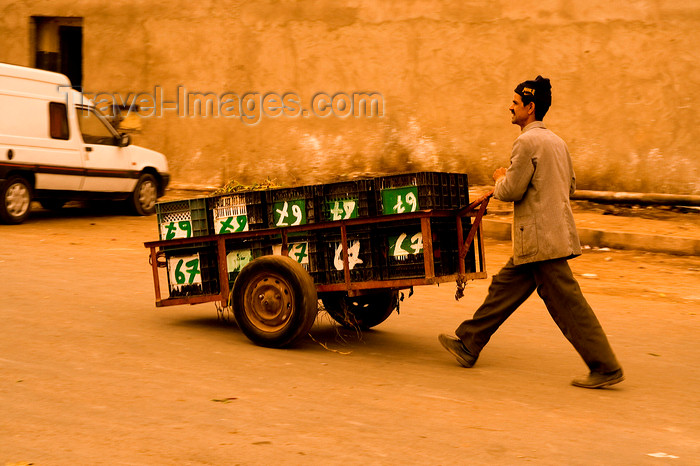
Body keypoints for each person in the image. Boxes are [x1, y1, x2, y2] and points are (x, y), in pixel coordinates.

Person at [439, 76, 624, 389]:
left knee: (567, 303)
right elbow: (571, 186)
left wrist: (500, 177)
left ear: (530, 107)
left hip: (541, 239)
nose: (510, 107)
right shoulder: (557, 142)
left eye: (515, 102)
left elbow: (511, 190)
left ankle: (605, 366)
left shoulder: (526, 142)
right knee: (504, 287)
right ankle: (469, 342)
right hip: (549, 234)